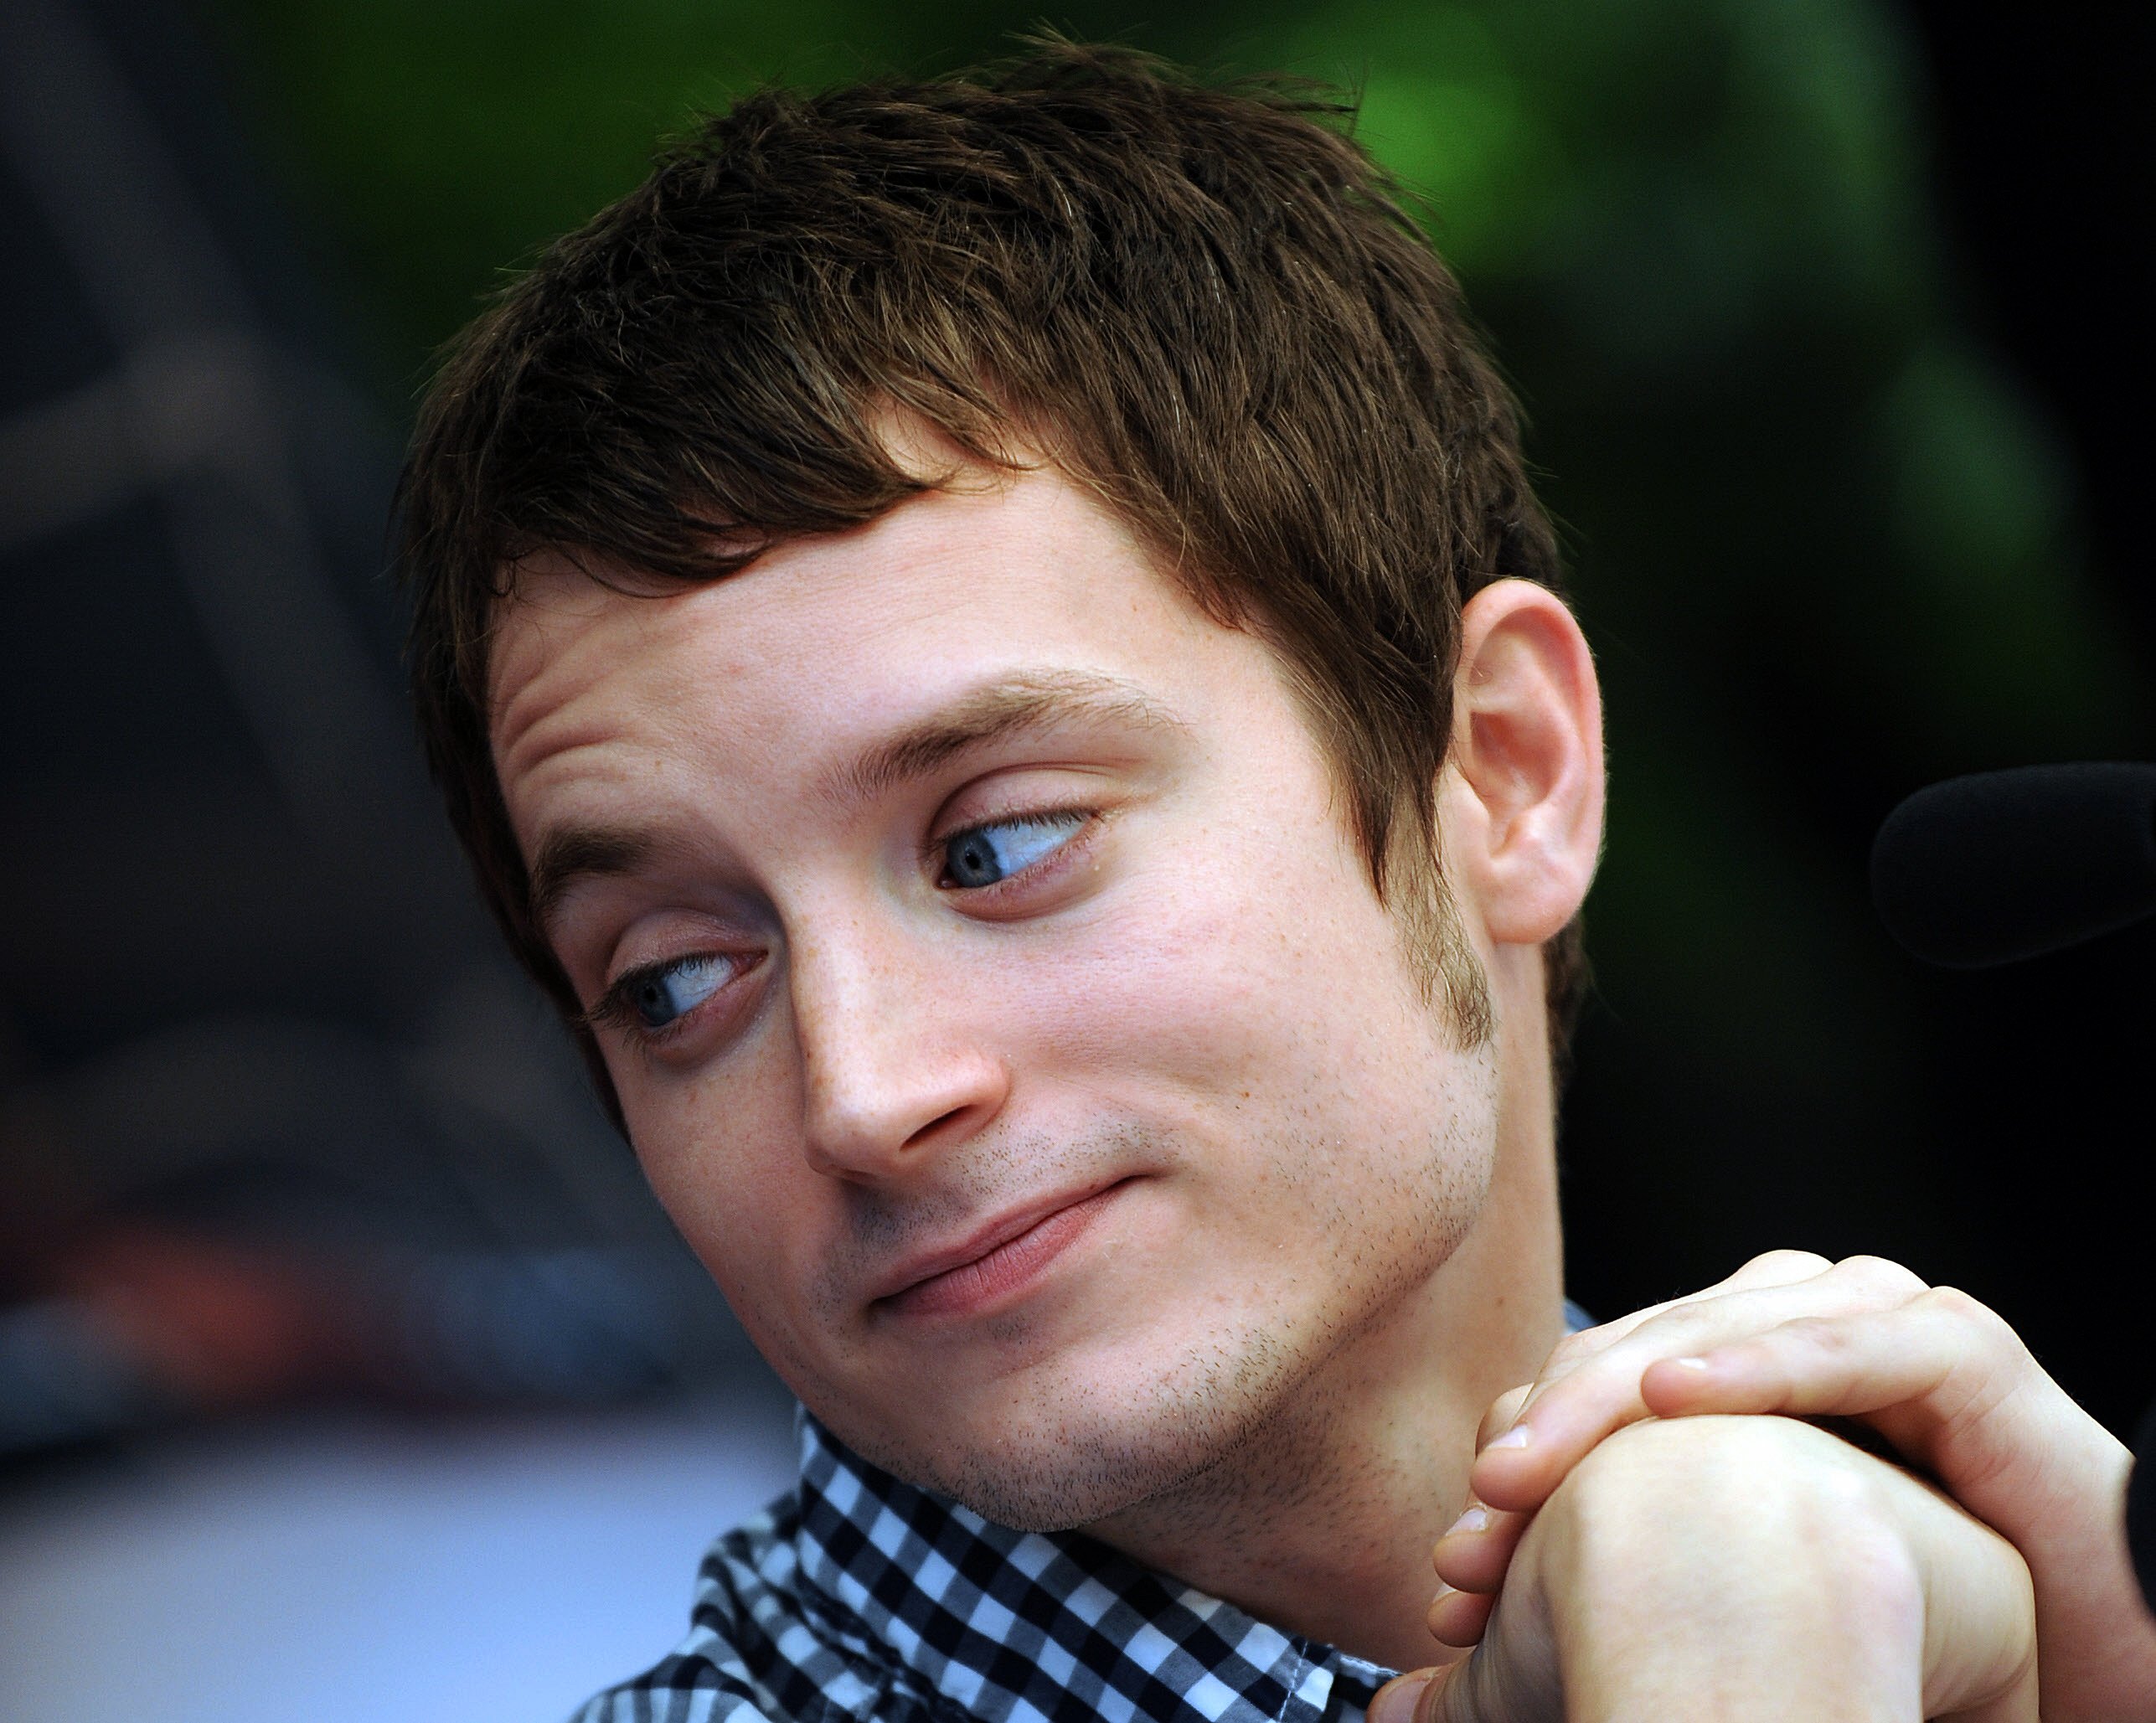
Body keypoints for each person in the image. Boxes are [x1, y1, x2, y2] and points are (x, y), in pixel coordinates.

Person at [395, 43, 2154, 1720]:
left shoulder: (1909, 1573)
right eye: (677, 979)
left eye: (994, 847)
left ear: (1504, 773)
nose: (862, 1095)